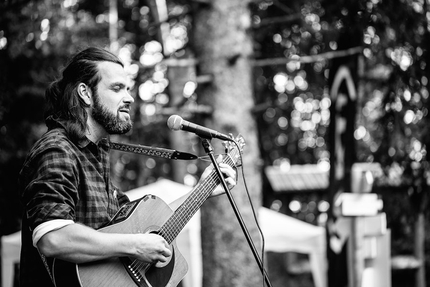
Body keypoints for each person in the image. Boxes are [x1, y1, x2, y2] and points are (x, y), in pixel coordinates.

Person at [18, 47, 237, 286]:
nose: (129, 97)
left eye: (128, 89)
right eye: (117, 88)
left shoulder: (96, 154)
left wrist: (202, 190)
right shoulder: (58, 149)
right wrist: (136, 246)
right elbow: (53, 238)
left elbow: (146, 225)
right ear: (85, 94)